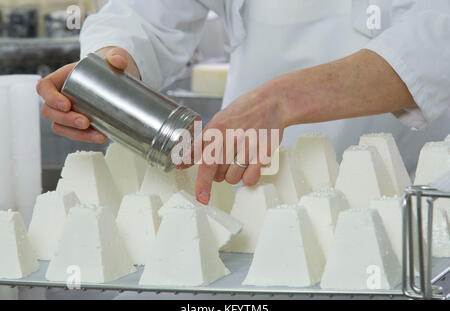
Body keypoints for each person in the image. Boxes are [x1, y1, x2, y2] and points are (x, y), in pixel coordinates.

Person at [37, 0, 450, 206]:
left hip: (406, 198)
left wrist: (283, 99)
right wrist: (106, 73)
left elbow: (437, 38)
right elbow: (147, 14)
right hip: (250, 191)